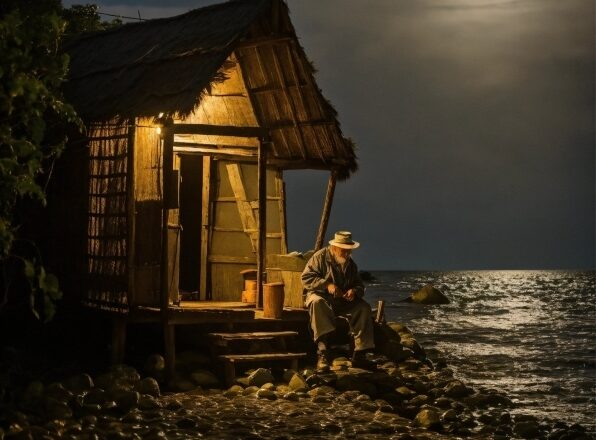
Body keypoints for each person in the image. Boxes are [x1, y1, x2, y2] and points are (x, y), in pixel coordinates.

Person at [301, 231, 376, 371]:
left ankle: (360, 355)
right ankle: (322, 353)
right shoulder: (320, 257)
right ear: (335, 247)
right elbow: (306, 278)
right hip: (320, 296)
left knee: (363, 307)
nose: (347, 254)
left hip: (341, 301)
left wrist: (354, 291)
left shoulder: (351, 264)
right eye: (344, 251)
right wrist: (327, 285)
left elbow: (359, 285)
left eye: (349, 251)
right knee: (317, 303)